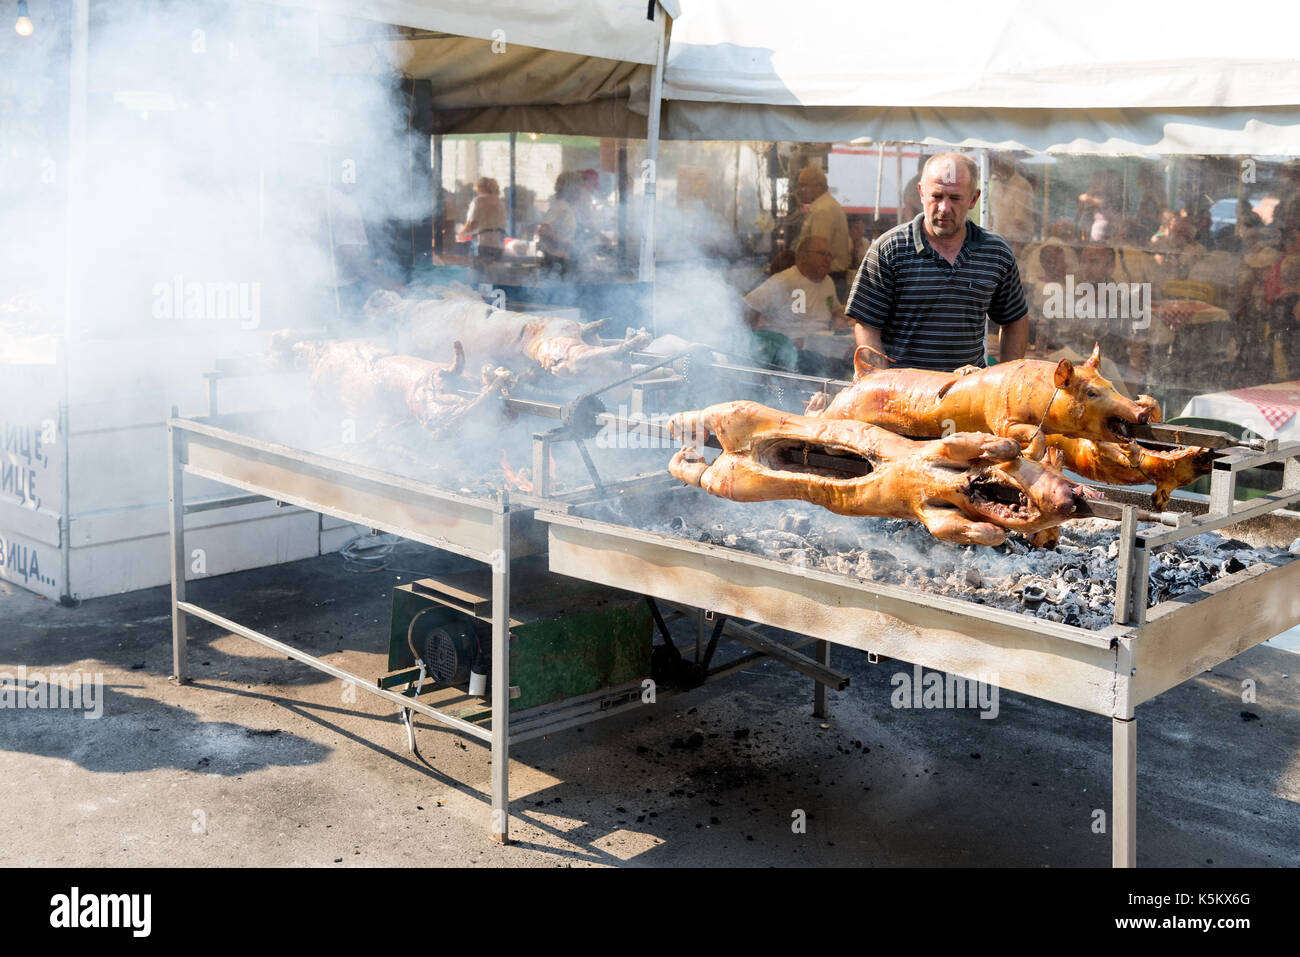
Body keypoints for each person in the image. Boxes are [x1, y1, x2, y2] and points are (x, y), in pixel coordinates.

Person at [847, 151, 1028, 371]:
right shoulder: (889, 249)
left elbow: (1015, 319)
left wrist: (1004, 383)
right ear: (921, 193)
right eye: (937, 196)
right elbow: (866, 325)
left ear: (973, 199)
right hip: (905, 397)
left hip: (967, 394)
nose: (944, 208)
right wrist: (883, 385)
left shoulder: (995, 252)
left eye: (954, 198)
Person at [793, 165, 851, 301]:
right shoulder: (825, 206)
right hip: (828, 277)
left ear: (819, 186)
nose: (798, 190)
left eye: (803, 185)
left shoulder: (822, 210)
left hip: (826, 278)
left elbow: (817, 253)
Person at [537, 171, 584, 275]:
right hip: (554, 261)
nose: (581, 191)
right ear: (572, 189)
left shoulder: (567, 207)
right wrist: (565, 242)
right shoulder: (559, 207)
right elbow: (543, 230)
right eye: (579, 187)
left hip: (562, 259)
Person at [456, 177, 507, 262]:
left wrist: (459, 236)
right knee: (494, 273)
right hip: (499, 245)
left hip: (484, 244)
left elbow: (471, 225)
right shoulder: (501, 202)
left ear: (481, 188)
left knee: (481, 273)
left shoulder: (478, 201)